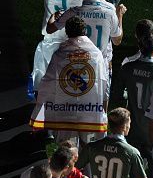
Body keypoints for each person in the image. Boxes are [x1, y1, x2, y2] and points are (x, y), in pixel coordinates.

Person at [30, 16, 108, 145]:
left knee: (66, 150)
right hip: (89, 110)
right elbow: (102, 82)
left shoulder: (59, 54)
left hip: (64, 110)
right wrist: (102, 108)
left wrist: (41, 106)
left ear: (66, 32)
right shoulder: (96, 54)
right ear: (85, 31)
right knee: (89, 149)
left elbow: (48, 82)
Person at [46, 0, 127, 76]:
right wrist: (120, 15)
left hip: (76, 66)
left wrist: (53, 15)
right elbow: (117, 41)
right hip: (99, 67)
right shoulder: (110, 12)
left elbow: (50, 29)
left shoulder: (73, 11)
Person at [113, 34, 153, 173]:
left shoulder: (127, 67)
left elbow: (116, 96)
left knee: (130, 164)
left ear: (139, 47)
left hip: (131, 124)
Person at [76, 108, 148, 178]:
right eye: (129, 123)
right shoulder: (131, 151)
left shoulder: (92, 147)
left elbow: (75, 168)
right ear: (124, 127)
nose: (130, 126)